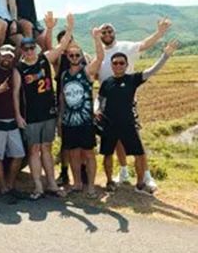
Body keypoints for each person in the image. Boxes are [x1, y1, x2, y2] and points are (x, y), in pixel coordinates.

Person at [98, 18, 172, 190]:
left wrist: (160, 34)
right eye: (104, 32)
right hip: (108, 113)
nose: (107, 34)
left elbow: (146, 46)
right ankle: (122, 173)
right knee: (115, 145)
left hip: (127, 107)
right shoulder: (99, 54)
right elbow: (98, 86)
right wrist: (97, 109)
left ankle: (146, 177)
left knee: (136, 143)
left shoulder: (125, 48)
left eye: (110, 31)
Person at [16, 13, 74, 199]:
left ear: (36, 48)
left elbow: (62, 46)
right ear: (22, 51)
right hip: (31, 115)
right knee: (34, 149)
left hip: (48, 113)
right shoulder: (19, 69)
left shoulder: (44, 59)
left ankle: (51, 184)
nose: (30, 51)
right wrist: (18, 115)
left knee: (47, 147)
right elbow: (15, 94)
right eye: (26, 48)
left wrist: (69, 27)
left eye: (32, 47)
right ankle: (38, 186)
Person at [58, 28, 104, 198]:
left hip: (85, 121)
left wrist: (96, 39)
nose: (75, 58)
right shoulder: (64, 75)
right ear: (67, 57)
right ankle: (77, 183)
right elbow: (63, 97)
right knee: (73, 153)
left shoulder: (87, 72)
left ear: (82, 57)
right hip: (69, 121)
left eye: (78, 55)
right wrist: (60, 119)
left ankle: (91, 186)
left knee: (89, 153)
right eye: (71, 55)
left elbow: (100, 58)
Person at [0, 44, 26, 204]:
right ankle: (3, 188)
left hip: (11, 120)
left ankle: (10, 185)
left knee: (18, 154)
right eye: (4, 55)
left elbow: (16, 95)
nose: (7, 58)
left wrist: (18, 116)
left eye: (10, 56)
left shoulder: (14, 72)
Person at [54, 29, 89, 187]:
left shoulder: (83, 57)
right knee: (65, 143)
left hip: (81, 107)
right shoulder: (59, 59)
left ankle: (82, 171)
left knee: (81, 144)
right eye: (64, 41)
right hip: (64, 104)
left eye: (69, 40)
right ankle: (64, 171)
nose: (67, 44)